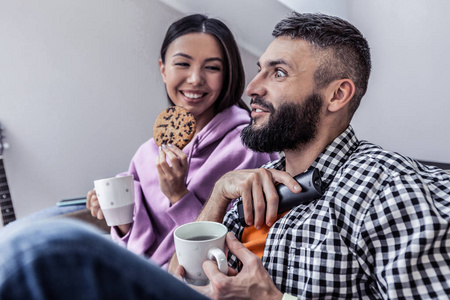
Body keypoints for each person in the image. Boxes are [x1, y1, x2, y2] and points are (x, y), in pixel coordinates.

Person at [1, 12, 449, 300]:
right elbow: (182, 281)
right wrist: (216, 195)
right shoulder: (252, 181)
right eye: (258, 72)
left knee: (43, 253)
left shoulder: (385, 186)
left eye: (278, 73)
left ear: (337, 95)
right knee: (36, 231)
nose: (251, 89)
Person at [85, 14, 278, 268]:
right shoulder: (146, 155)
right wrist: (119, 219)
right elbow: (137, 247)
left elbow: (236, 251)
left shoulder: (248, 148)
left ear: (227, 76)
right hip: (142, 276)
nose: (195, 79)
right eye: (182, 64)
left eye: (212, 67)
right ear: (163, 69)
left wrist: (179, 196)